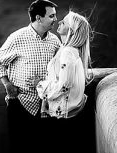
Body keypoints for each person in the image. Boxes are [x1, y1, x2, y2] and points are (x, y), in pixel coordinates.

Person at [0, 0, 62, 149]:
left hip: (47, 105)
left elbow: (62, 69)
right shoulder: (17, 37)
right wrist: (7, 84)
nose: (56, 19)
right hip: (20, 104)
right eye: (51, 16)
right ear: (38, 18)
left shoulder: (55, 41)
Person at [37, 10, 94, 153]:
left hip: (65, 118)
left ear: (72, 31)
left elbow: (63, 86)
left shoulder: (68, 52)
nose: (60, 22)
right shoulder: (67, 50)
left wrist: (39, 85)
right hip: (67, 114)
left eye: (65, 21)